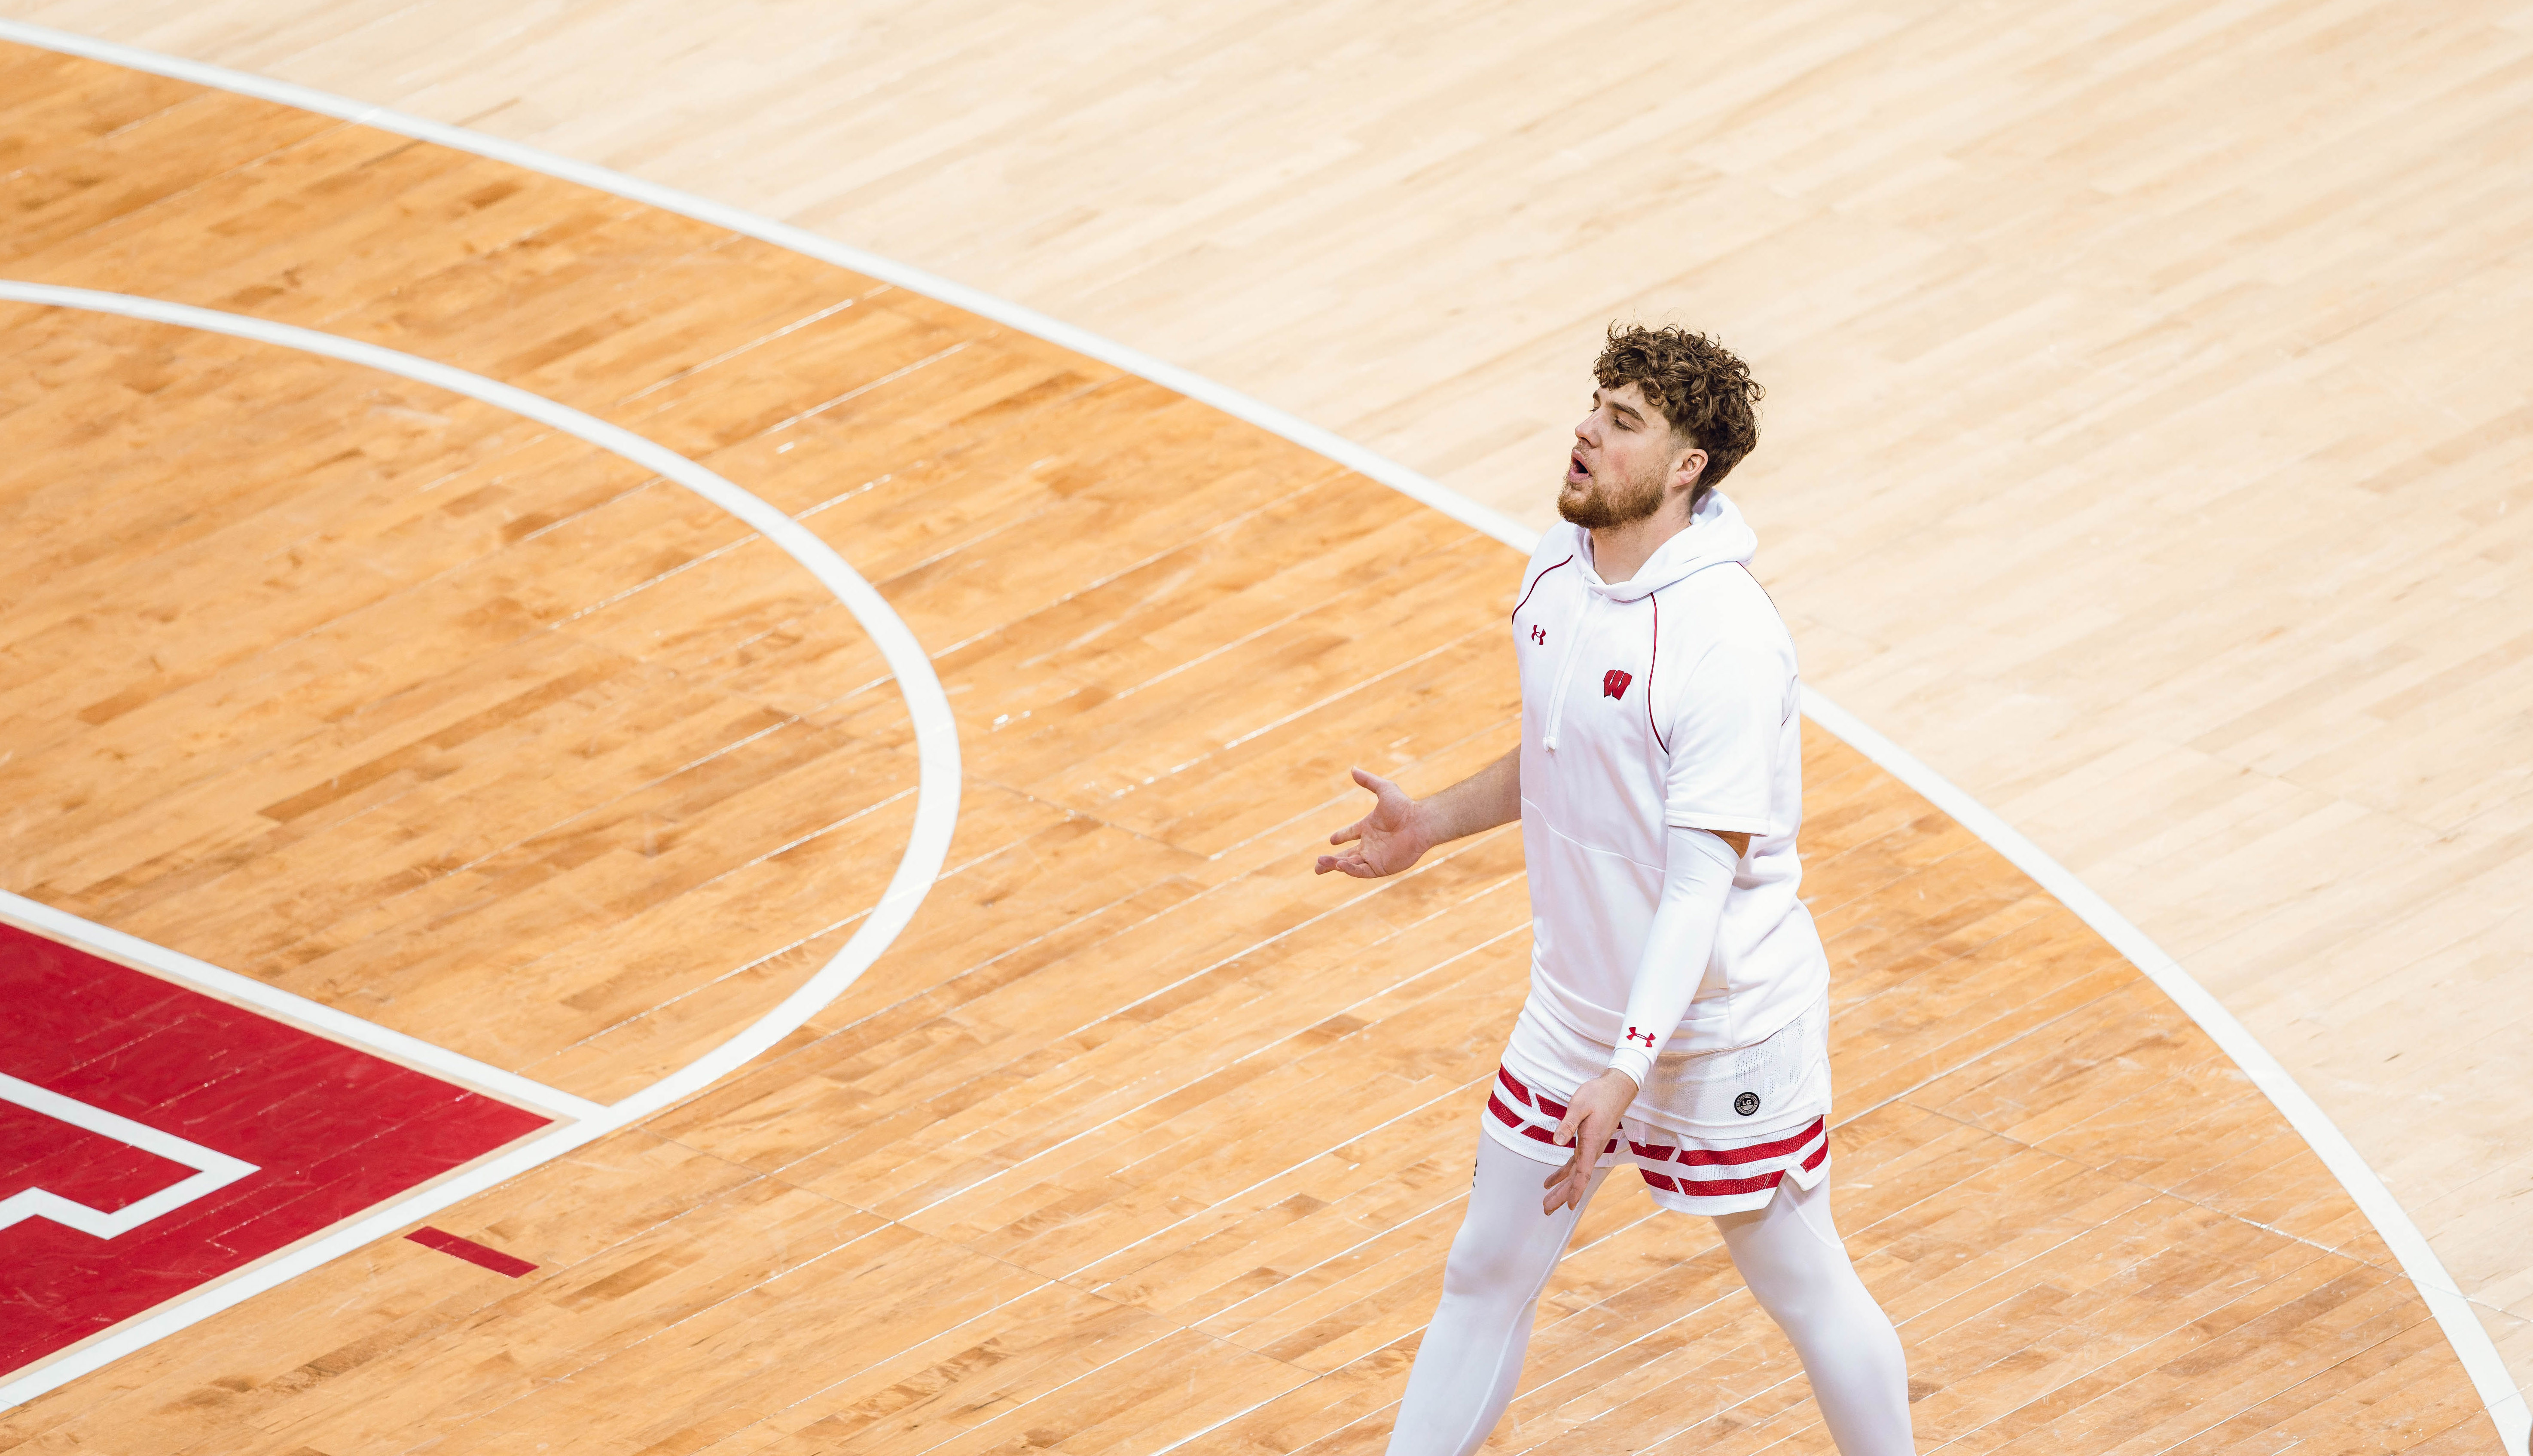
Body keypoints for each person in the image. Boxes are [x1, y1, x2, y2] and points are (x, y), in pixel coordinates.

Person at [1315, 325, 1914, 1456]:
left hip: (1719, 1031)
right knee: (1485, 1272)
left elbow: (1698, 883)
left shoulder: (1726, 642)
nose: (1587, 429)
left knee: (1802, 1286)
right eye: (1596, 404)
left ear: (1687, 468)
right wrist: (1435, 823)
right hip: (1576, 1011)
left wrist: (1628, 1068)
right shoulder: (1555, 570)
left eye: (1625, 419)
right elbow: (1559, 756)